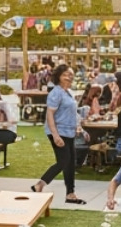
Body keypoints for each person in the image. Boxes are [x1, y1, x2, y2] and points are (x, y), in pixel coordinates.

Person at [32, 64, 84, 205]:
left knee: (70, 163)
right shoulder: (56, 92)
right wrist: (55, 135)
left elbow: (73, 113)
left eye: (71, 74)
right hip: (58, 131)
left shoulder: (68, 92)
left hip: (69, 132)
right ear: (59, 76)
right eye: (66, 74)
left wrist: (79, 127)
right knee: (64, 161)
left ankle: (70, 194)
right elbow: (50, 114)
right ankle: (40, 184)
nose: (69, 76)